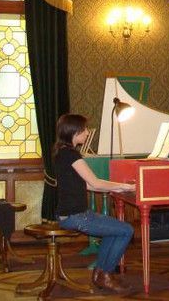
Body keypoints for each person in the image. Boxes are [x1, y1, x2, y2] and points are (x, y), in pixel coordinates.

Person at [53, 113, 135, 293]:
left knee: (114, 231)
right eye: (84, 129)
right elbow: (95, 183)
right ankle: (105, 274)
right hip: (75, 216)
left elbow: (89, 185)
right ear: (74, 131)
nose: (87, 132)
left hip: (73, 214)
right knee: (126, 230)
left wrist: (119, 188)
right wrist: (125, 186)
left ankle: (100, 274)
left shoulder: (63, 153)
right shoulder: (71, 154)